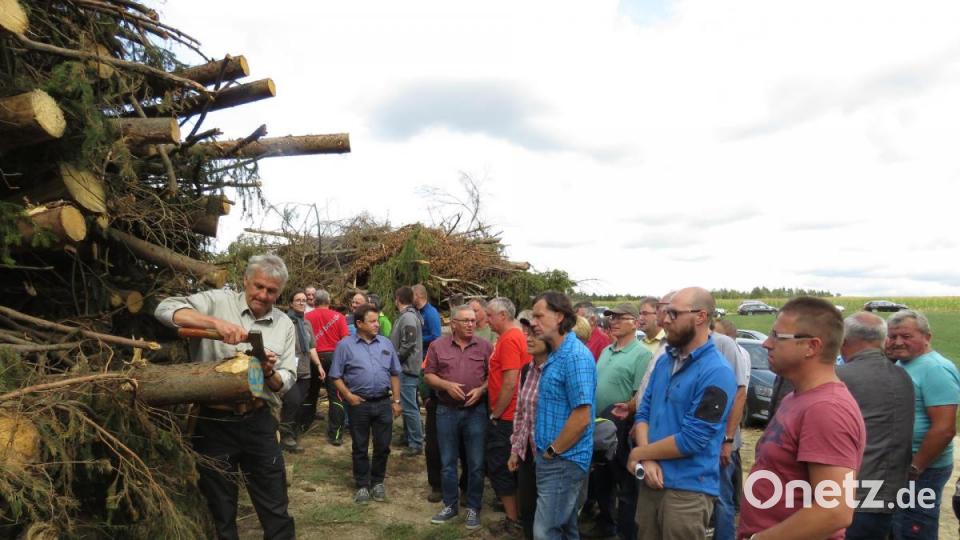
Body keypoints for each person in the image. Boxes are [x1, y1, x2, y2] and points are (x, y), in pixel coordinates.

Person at [154, 254, 297, 540]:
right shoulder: (218, 301)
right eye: (258, 286)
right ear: (245, 280)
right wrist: (214, 324)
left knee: (275, 505)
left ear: (280, 293)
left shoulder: (284, 325)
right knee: (220, 509)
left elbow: (285, 381)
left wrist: (268, 373)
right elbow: (164, 309)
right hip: (213, 422)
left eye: (272, 291)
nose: (263, 295)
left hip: (259, 421)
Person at [737, 297, 866, 540]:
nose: (766, 344)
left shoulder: (826, 409)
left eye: (777, 336)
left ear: (811, 346)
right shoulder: (796, 399)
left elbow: (835, 510)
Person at [627, 287, 736, 540]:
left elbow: (693, 439)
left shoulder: (717, 372)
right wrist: (648, 458)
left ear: (700, 316)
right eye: (665, 313)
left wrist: (640, 453)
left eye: (674, 314)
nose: (665, 320)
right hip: (650, 481)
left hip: (687, 492)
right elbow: (643, 413)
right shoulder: (665, 361)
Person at [836, 312, 914, 540]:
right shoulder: (902, 375)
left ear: (844, 341)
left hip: (854, 495)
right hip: (890, 491)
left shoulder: (840, 377)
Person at [887, 309, 960, 540]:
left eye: (906, 336)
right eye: (893, 336)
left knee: (913, 528)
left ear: (927, 337)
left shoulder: (935, 369)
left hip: (922, 470)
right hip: (905, 467)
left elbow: (945, 428)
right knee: (898, 526)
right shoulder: (905, 363)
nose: (898, 342)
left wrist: (916, 468)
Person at [531, 291, 596, 539]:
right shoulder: (557, 353)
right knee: (566, 528)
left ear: (559, 316)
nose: (534, 322)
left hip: (563, 460)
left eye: (539, 316)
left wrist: (552, 451)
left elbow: (582, 417)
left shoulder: (575, 357)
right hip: (554, 458)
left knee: (545, 531)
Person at [423, 304, 493, 530]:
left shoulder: (485, 347)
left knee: (475, 464)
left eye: (473, 320)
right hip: (446, 411)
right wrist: (445, 385)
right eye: (465, 321)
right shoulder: (437, 346)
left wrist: (482, 390)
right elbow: (428, 375)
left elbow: (493, 377)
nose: (471, 324)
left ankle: (473, 507)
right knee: (447, 463)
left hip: (476, 412)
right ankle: (450, 505)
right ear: (453, 323)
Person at [587, 302, 652, 540]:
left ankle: (625, 532)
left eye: (618, 317)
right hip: (599, 424)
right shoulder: (606, 350)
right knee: (601, 480)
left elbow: (641, 396)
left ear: (634, 323)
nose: (612, 321)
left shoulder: (642, 354)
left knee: (624, 483)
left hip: (622, 428)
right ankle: (606, 526)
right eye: (610, 317)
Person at [329, 303, 403, 504]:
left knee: (383, 445)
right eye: (372, 321)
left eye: (377, 320)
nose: (376, 324)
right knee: (360, 446)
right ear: (359, 323)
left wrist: (396, 401)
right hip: (358, 404)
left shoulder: (386, 344)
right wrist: (348, 395)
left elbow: (395, 373)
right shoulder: (345, 345)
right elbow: (335, 375)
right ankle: (362, 484)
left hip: (383, 403)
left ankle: (377, 482)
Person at [484, 297, 532, 535]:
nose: (487, 320)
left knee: (501, 466)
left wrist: (496, 413)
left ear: (502, 315)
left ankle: (513, 520)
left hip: (507, 417)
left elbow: (510, 381)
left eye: (490, 316)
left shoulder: (511, 339)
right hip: (512, 414)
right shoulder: (512, 337)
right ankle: (518, 514)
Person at [508, 310, 552, 539]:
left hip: (550, 455)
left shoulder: (557, 369)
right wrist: (516, 449)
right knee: (528, 509)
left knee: (549, 518)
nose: (529, 339)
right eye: (527, 333)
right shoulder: (527, 369)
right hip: (527, 452)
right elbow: (521, 412)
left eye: (535, 333)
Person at [710, 318, 751, 540]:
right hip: (713, 437)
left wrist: (728, 439)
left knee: (722, 496)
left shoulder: (732, 350)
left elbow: (739, 394)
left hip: (723, 437)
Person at [280, 291, 325, 452]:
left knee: (299, 403)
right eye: (298, 300)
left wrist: (319, 365)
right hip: (288, 370)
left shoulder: (306, 324)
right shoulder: (284, 322)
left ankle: (292, 433)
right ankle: (285, 436)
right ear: (291, 303)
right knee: (291, 401)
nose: (301, 303)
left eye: (304, 300)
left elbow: (311, 346)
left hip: (305, 369)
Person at [305, 289, 351, 445]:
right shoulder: (338, 317)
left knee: (310, 392)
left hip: (313, 356)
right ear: (329, 301)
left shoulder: (306, 317)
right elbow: (346, 340)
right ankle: (336, 434)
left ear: (314, 301)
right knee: (336, 395)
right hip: (334, 357)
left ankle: (303, 425)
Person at [390, 286, 425, 457]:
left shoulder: (409, 317)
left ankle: (416, 442)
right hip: (405, 367)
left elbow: (409, 343)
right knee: (406, 404)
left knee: (410, 407)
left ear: (398, 298)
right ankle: (408, 436)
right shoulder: (408, 316)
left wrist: (395, 360)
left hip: (406, 368)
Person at [413, 284, 442, 357]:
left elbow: (436, 336)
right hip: (417, 355)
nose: (410, 298)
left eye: (411, 295)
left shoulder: (431, 313)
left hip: (427, 357)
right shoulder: (416, 311)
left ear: (418, 295)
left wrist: (416, 339)